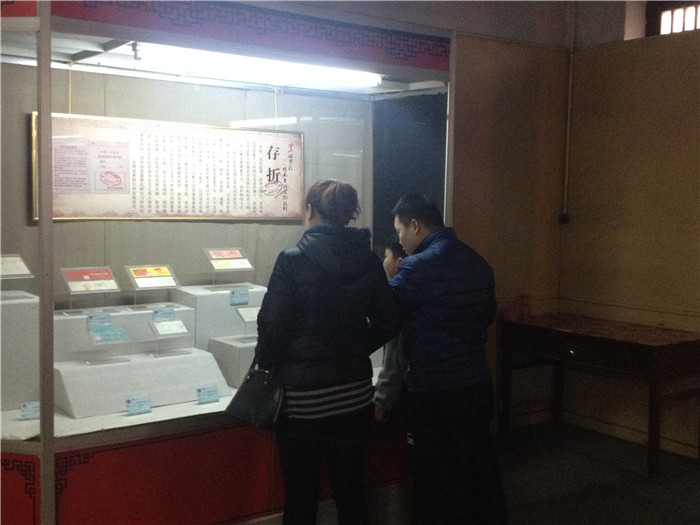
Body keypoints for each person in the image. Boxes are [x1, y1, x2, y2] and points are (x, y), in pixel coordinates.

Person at [256, 179, 401, 525]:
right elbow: (390, 320)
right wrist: (355, 347)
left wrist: (274, 363)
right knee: (351, 492)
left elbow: (271, 328)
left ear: (310, 211)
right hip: (354, 397)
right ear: (348, 215)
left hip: (302, 402)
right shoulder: (368, 260)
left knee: (301, 498)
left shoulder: (291, 261)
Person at [389, 193, 508, 525]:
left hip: (436, 391)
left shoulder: (416, 267)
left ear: (415, 225)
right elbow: (487, 315)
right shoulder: (477, 262)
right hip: (477, 383)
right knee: (481, 471)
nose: (400, 240)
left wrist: (388, 275)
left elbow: (386, 314)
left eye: (400, 231)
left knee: (438, 481)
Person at [373, 239, 407, 423]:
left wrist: (382, 400)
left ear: (398, 263)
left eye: (386, 256)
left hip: (404, 390)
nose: (382, 262)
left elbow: (394, 356)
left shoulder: (397, 296)